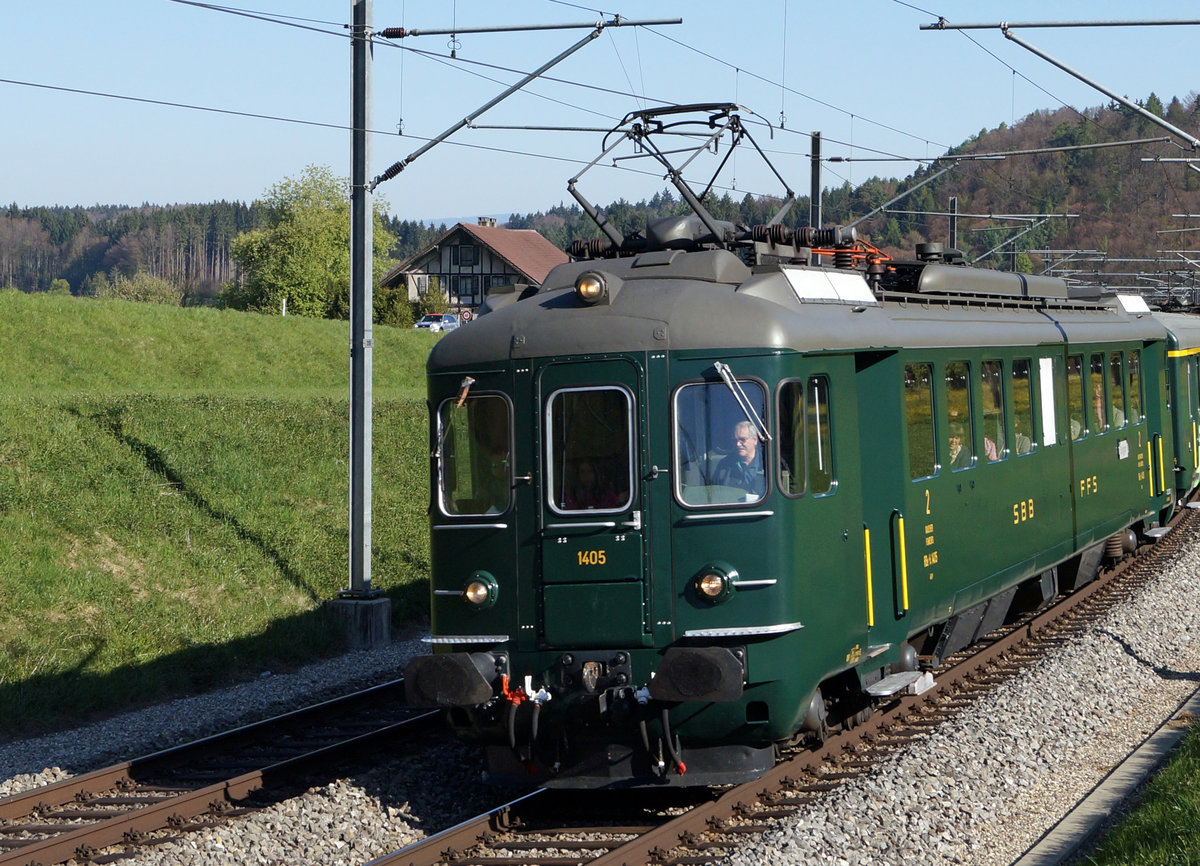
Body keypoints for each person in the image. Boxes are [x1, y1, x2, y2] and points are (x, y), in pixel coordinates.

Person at [713, 420, 766, 497]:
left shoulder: (769, 463)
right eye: (734, 440)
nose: (738, 444)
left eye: (743, 440)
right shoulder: (723, 465)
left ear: (755, 440)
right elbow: (715, 494)